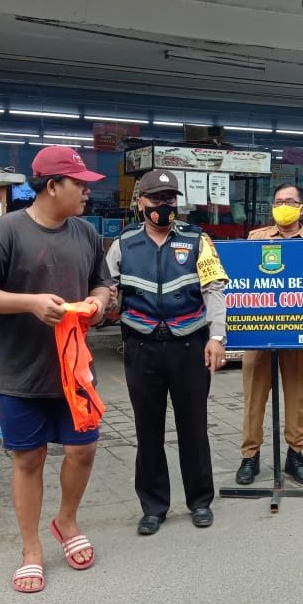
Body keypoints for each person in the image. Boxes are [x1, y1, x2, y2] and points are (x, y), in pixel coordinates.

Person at [0, 145, 112, 594]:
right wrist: (30, 303)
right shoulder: (3, 233)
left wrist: (100, 304)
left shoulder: (85, 233)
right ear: (52, 186)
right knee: (28, 459)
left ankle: (66, 520)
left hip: (74, 372)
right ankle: (31, 549)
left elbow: (103, 283)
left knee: (82, 450)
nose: (87, 192)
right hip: (19, 372)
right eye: (79, 184)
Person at [106, 169, 229, 535]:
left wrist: (217, 338)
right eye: (157, 199)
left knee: (194, 428)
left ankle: (200, 501)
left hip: (189, 345)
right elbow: (106, 289)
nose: (164, 205)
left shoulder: (198, 240)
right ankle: (153, 507)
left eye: (170, 198)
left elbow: (214, 290)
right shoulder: (123, 244)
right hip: (141, 346)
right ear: (140, 203)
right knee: (148, 430)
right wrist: (107, 304)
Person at [236, 184, 303, 486]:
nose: (282, 206)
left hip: (300, 331)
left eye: (289, 201)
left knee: (298, 395)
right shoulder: (255, 239)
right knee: (254, 396)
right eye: (278, 201)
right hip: (260, 330)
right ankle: (250, 455)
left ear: (302, 208)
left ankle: (295, 454)